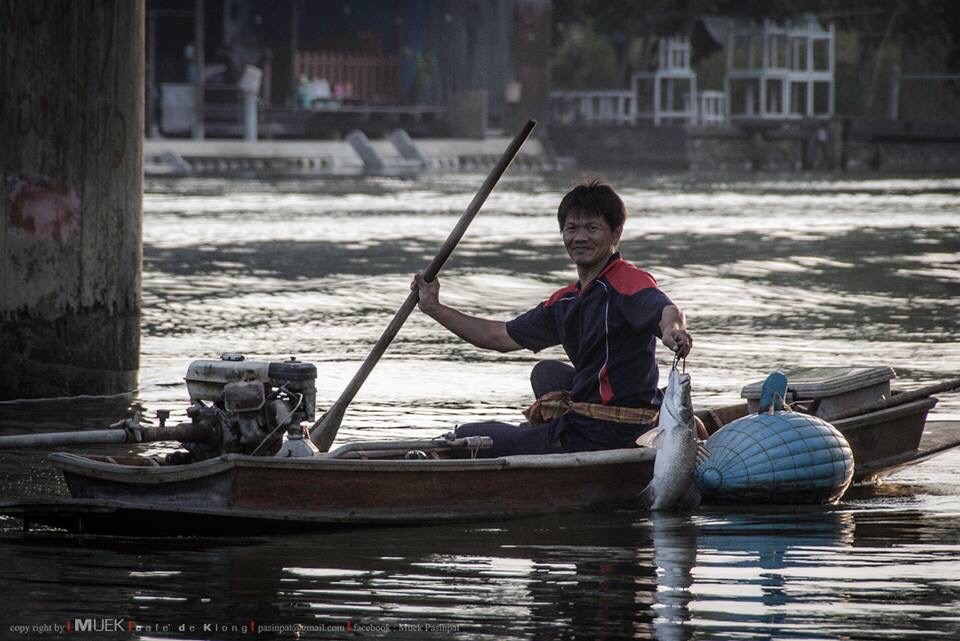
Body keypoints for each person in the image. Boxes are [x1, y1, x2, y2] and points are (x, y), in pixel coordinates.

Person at [411, 178, 693, 457]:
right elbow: (497, 337)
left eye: (592, 228)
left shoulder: (627, 281)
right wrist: (435, 308)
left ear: (615, 234)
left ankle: (561, 440)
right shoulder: (566, 301)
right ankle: (556, 430)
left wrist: (673, 331)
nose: (580, 237)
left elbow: (667, 310)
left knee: (467, 436)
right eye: (571, 228)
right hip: (595, 416)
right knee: (545, 373)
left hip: (608, 432)